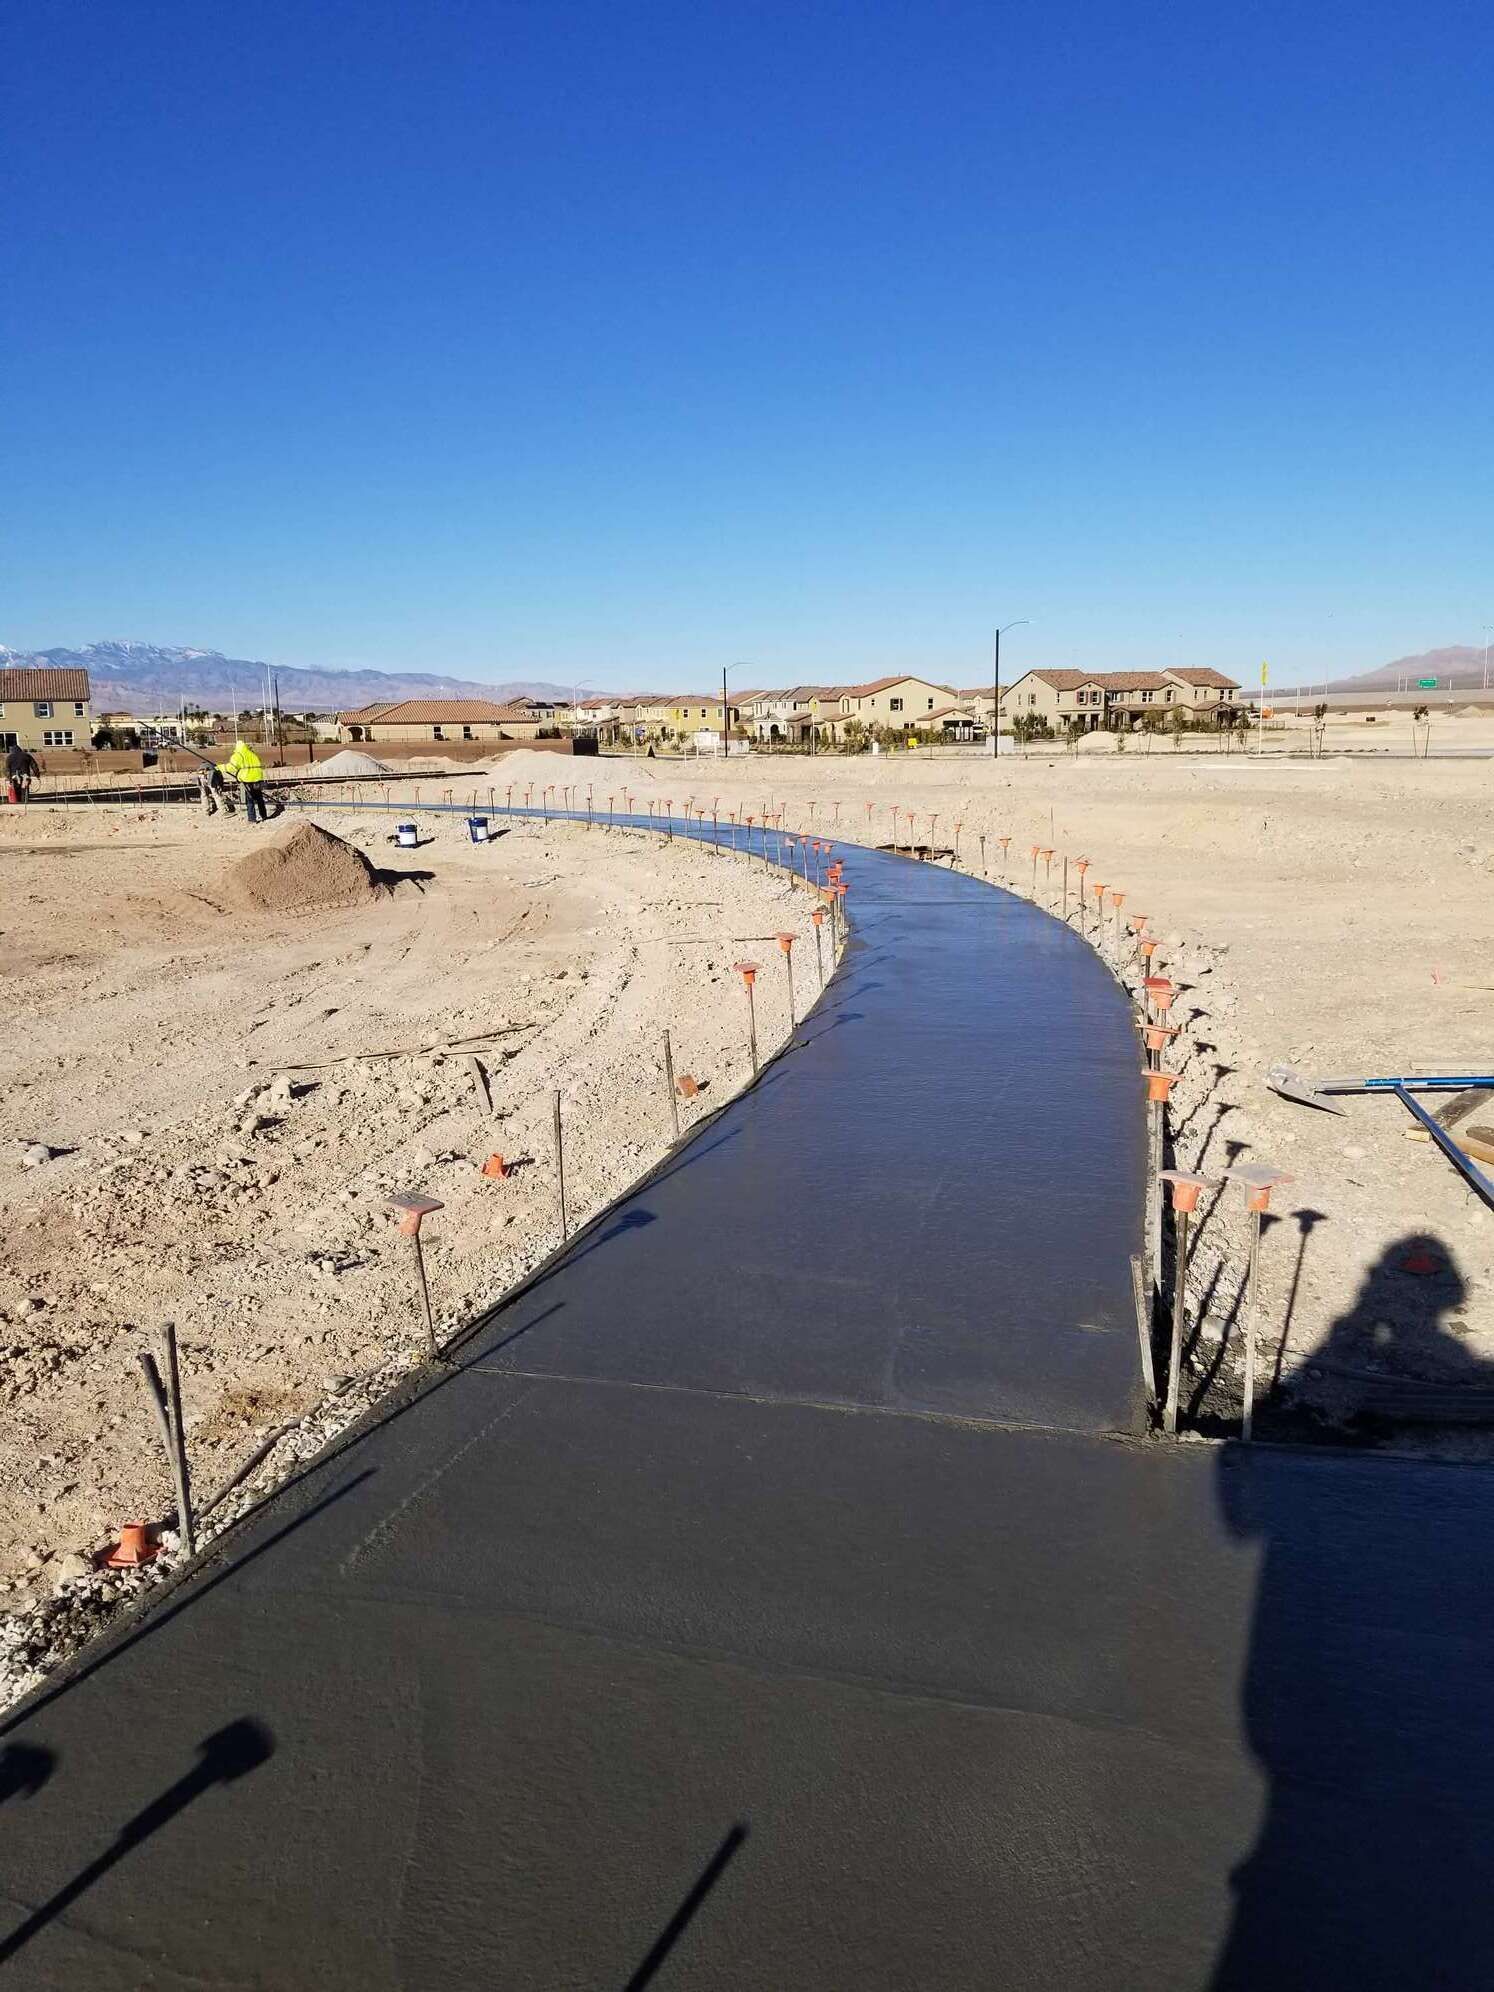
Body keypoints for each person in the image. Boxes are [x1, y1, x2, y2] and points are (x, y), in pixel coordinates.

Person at [218, 739, 267, 824]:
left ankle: (252, 819)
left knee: (250, 800)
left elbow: (231, 767)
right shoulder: (252, 754)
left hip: (247, 779)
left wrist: (219, 767)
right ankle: (264, 815)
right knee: (259, 799)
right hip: (258, 778)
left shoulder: (238, 755)